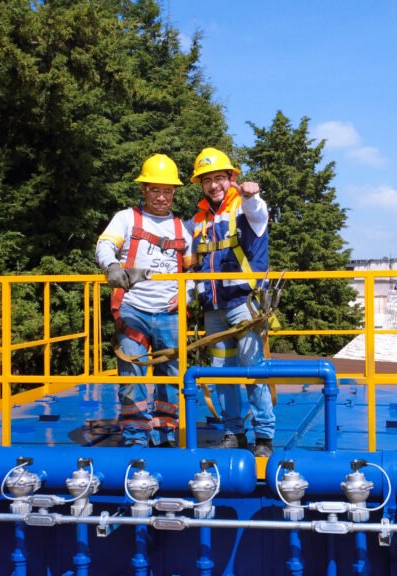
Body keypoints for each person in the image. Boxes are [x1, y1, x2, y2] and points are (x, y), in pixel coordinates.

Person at [96, 153, 192, 447]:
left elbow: (192, 270)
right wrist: (111, 267)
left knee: (172, 375)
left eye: (167, 191)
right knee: (132, 371)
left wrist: (185, 295)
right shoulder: (126, 219)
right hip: (133, 309)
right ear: (144, 190)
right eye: (155, 190)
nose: (161, 197)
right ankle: (135, 436)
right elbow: (105, 245)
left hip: (170, 313)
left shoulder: (182, 229)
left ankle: (164, 433)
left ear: (174, 192)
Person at [188, 147, 275, 457]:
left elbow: (258, 212)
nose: (214, 185)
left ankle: (263, 436)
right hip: (213, 310)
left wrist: (251, 195)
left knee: (254, 370)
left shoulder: (245, 208)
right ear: (200, 185)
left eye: (220, 178)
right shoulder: (197, 221)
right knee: (222, 373)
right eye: (207, 180)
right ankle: (233, 432)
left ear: (231, 178)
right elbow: (188, 262)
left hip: (243, 305)